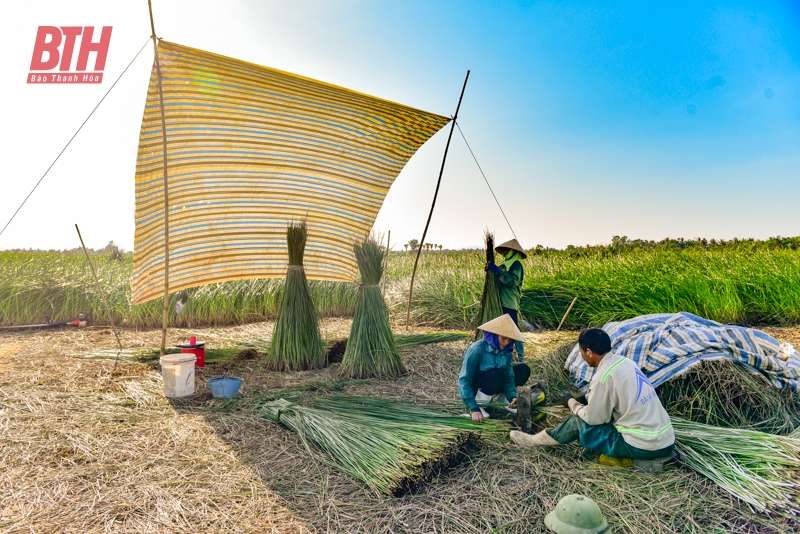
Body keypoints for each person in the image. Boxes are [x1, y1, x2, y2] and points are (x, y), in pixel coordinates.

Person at [510, 328, 675, 461]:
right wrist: (584, 399)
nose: (581, 356)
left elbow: (592, 419)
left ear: (588, 351)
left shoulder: (602, 377)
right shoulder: (627, 363)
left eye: (581, 352)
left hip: (641, 447)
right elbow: (613, 396)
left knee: (578, 422)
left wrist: (572, 403)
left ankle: (535, 441)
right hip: (666, 441)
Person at [458, 314, 531, 422]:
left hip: (495, 381)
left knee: (523, 369)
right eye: (503, 338)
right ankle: (481, 405)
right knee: (497, 373)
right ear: (494, 335)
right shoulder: (477, 349)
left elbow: (509, 377)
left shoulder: (506, 352)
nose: (506, 342)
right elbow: (463, 380)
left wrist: (511, 396)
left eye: (510, 340)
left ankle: (504, 401)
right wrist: (474, 408)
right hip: (477, 388)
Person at [486, 239, 526, 362]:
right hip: (500, 302)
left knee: (513, 329)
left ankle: (521, 356)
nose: (505, 252)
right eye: (504, 249)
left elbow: (512, 281)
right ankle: (503, 351)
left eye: (508, 249)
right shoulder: (504, 265)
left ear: (514, 252)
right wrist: (491, 272)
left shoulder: (516, 265)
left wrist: (497, 271)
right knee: (501, 328)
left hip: (509, 301)